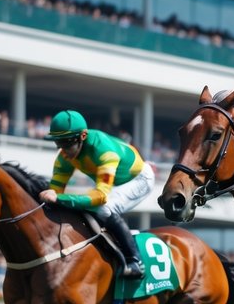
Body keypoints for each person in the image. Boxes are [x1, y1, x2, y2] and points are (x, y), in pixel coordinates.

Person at [39, 109, 153, 279]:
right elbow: (55, 193)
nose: (63, 150)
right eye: (59, 143)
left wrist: (60, 198)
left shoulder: (103, 150)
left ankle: (134, 260)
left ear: (83, 136)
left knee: (103, 208)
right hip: (114, 184)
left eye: (67, 142)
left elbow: (101, 197)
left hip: (139, 179)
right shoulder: (65, 155)